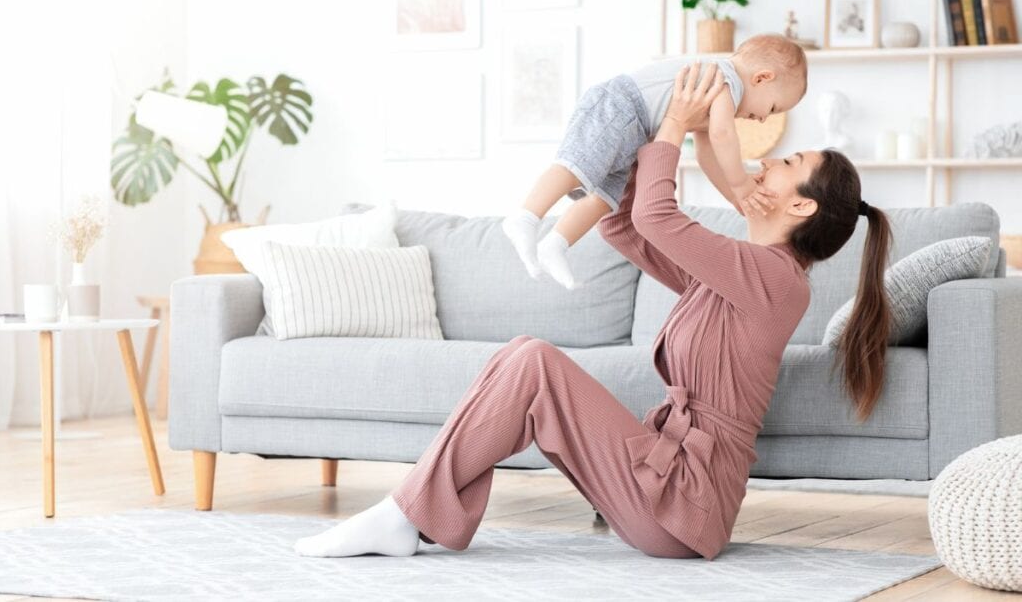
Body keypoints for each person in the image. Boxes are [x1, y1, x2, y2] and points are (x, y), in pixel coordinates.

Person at [293, 62, 892, 561]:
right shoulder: (733, 272)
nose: (765, 163)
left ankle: (404, 514)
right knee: (518, 358)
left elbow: (660, 218)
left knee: (534, 362)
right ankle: (411, 512)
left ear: (802, 207)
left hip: (684, 504)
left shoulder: (776, 281)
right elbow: (629, 228)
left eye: (786, 165)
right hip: (664, 484)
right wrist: (632, 140)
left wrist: (676, 130)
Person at [501, 33, 808, 289]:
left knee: (605, 199)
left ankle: (556, 243)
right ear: (762, 78)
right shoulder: (724, 79)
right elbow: (723, 136)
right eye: (773, 107)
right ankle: (526, 217)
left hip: (638, 131)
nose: (764, 118)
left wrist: (736, 200)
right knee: (576, 168)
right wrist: (741, 182)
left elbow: (706, 154)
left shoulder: (715, 97)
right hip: (620, 105)